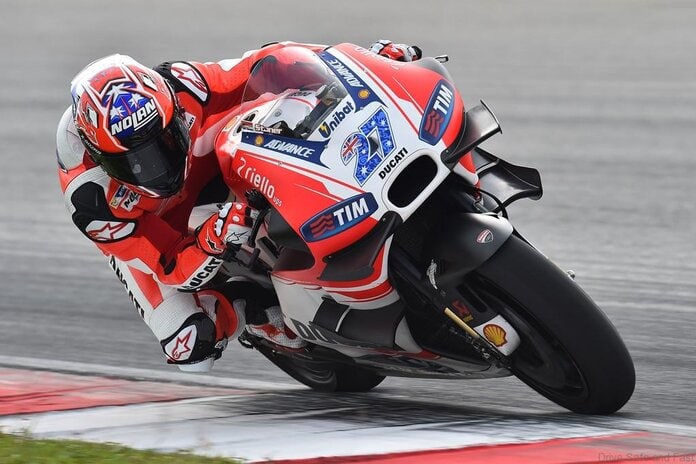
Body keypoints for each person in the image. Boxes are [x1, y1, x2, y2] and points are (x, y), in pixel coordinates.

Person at [56, 40, 421, 372]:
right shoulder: (92, 200)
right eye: (133, 162)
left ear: (173, 109)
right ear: (99, 157)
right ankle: (255, 312)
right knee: (190, 344)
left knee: (290, 105)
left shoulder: (186, 86)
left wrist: (363, 63)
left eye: (163, 142)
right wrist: (212, 239)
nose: (156, 168)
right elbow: (169, 265)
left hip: (204, 161)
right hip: (156, 223)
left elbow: (267, 62)